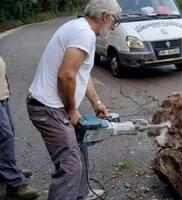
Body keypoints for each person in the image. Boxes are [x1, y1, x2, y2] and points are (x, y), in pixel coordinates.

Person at [26, 0, 122, 199]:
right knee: (70, 165)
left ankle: (81, 193)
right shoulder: (83, 34)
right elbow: (67, 75)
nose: (113, 26)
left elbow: (81, 74)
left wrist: (96, 103)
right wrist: (71, 110)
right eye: (114, 21)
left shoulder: (79, 28)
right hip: (48, 108)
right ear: (105, 16)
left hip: (53, 107)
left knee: (80, 145)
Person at [0, 55, 39, 199]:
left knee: (8, 133)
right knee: (5, 136)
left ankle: (8, 170)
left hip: (2, 95)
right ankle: (14, 183)